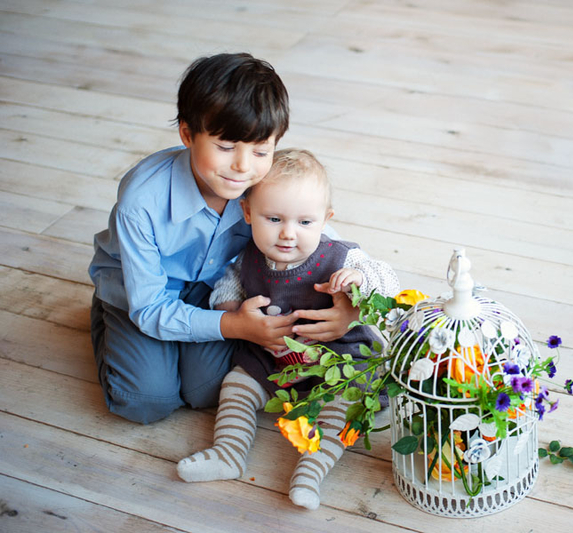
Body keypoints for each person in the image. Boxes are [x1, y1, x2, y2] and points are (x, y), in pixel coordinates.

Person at [88, 53, 359, 425]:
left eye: (260, 151)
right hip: (141, 292)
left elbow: (318, 238)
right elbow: (149, 308)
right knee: (146, 400)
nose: (243, 166)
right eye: (226, 147)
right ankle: (106, 319)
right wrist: (235, 326)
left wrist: (350, 308)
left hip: (214, 289)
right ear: (188, 135)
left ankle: (170, 350)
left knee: (207, 389)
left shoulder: (261, 180)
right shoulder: (142, 201)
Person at [176, 149, 399, 511]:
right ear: (248, 212)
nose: (288, 234)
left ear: (325, 220)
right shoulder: (248, 257)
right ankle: (228, 452)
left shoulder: (339, 257)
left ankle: (312, 471)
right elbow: (229, 284)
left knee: (346, 405)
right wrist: (232, 309)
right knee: (237, 385)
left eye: (305, 222)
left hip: (339, 360)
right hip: (274, 358)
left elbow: (388, 281)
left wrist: (360, 278)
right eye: (274, 218)